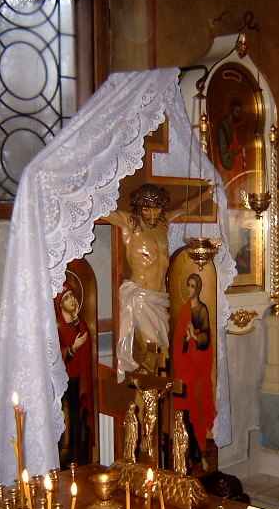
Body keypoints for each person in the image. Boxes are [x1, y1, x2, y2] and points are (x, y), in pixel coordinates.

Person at [106, 184, 210, 381]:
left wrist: (207, 194)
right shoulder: (130, 223)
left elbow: (186, 207)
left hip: (160, 301)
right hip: (141, 298)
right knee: (156, 355)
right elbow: (100, 210)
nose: (152, 214)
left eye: (156, 208)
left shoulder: (164, 222)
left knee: (161, 359)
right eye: (147, 209)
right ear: (139, 207)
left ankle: (144, 398)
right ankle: (145, 397)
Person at [172, 273, 216, 457]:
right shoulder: (184, 310)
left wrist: (195, 336)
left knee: (198, 402)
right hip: (186, 364)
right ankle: (188, 448)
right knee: (186, 403)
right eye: (187, 285)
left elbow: (206, 338)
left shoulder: (202, 310)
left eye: (192, 286)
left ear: (198, 289)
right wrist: (185, 337)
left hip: (198, 364)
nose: (188, 289)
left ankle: (200, 447)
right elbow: (177, 339)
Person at [55, 285, 94, 466]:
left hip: (80, 384)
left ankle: (82, 469)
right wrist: (72, 349)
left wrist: (77, 322)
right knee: (67, 434)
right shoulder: (56, 326)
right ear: (60, 304)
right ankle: (65, 471)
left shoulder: (80, 323)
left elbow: (86, 350)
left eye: (72, 296)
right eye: (66, 297)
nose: (71, 300)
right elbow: (55, 356)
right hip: (65, 387)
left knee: (82, 432)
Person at [216, 98, 246, 185]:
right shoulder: (223, 127)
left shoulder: (232, 126)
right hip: (224, 163)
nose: (238, 115)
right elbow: (222, 152)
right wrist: (233, 153)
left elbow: (235, 142)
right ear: (232, 110)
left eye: (240, 113)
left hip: (232, 160)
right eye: (237, 112)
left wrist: (241, 149)